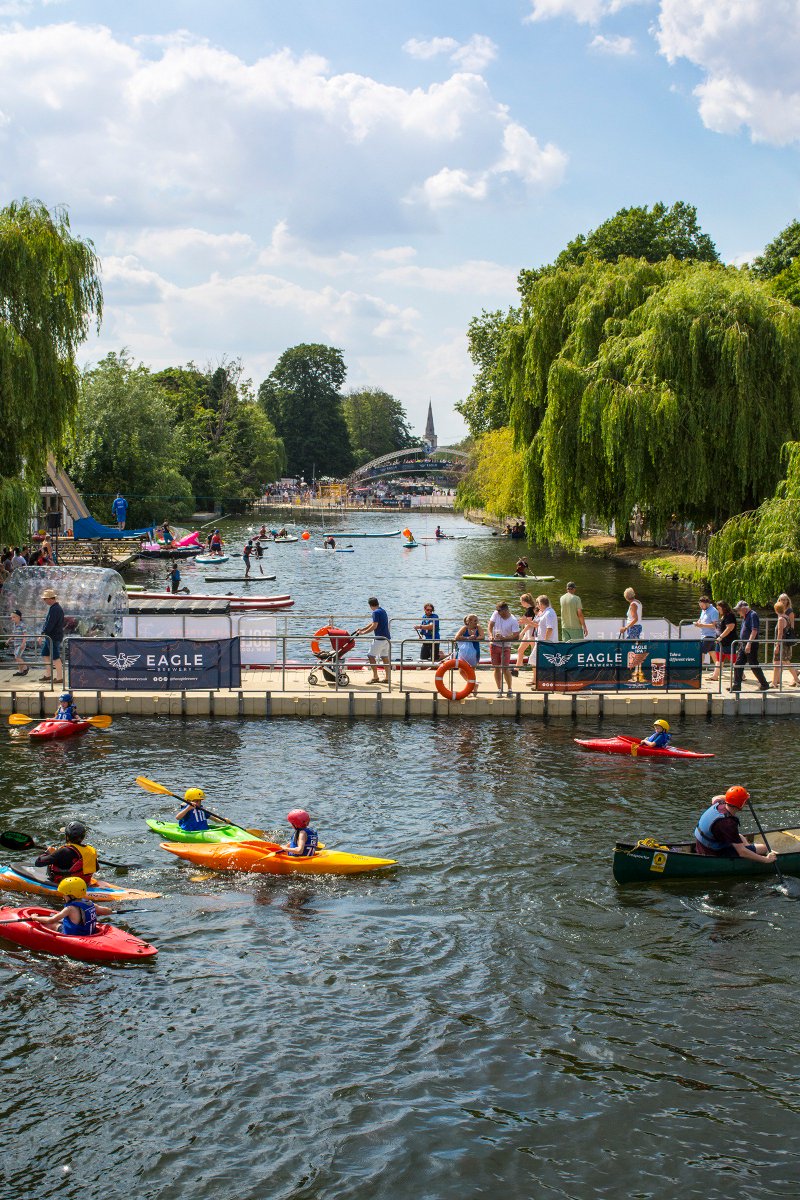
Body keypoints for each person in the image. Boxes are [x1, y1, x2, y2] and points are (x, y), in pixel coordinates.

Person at [694, 786, 777, 863]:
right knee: (763, 848)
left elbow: (715, 798)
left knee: (739, 836)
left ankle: (749, 848)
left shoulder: (719, 803)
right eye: (744, 802)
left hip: (701, 845)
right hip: (712, 852)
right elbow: (742, 853)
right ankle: (751, 852)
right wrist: (766, 860)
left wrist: (739, 797)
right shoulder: (727, 824)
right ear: (740, 804)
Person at [31, 876, 111, 936]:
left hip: (74, 936)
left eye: (64, 894)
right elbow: (105, 910)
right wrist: (110, 910)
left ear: (71, 895)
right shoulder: (90, 903)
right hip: (89, 933)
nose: (63, 896)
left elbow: (51, 920)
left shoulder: (69, 909)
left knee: (52, 925)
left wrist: (34, 918)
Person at [34, 821, 97, 885]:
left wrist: (48, 852)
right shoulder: (91, 850)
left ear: (67, 837)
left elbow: (38, 863)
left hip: (67, 884)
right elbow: (96, 868)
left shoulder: (63, 851)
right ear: (83, 837)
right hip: (84, 883)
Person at [730, 601, 769, 692]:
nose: (738, 612)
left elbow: (754, 630)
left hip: (750, 644)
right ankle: (736, 686)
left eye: (739, 610)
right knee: (738, 665)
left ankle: (764, 684)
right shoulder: (746, 616)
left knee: (753, 665)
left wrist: (749, 643)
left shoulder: (752, 615)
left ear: (744, 608)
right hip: (743, 644)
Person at [355, 597, 391, 685]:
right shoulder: (382, 610)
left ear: (370, 605)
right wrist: (363, 628)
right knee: (384, 657)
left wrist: (363, 633)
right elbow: (373, 623)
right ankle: (387, 678)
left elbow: (374, 625)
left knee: (370, 656)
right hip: (387, 638)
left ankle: (375, 677)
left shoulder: (375, 612)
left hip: (379, 639)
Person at [488, 600, 520, 697]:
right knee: (496, 668)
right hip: (494, 645)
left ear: (505, 610)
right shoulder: (496, 613)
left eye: (500, 612)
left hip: (506, 646)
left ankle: (509, 689)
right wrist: (490, 635)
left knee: (505, 668)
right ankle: (499, 689)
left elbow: (516, 636)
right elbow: (490, 625)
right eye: (497, 612)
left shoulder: (513, 620)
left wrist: (504, 638)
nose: (498, 614)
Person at [771, 599, 800, 688]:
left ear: (776, 610)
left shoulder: (780, 619)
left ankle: (775, 682)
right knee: (782, 662)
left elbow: (780, 633)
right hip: (785, 644)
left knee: (780, 662)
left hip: (781, 644)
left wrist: (777, 645)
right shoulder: (786, 617)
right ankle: (775, 682)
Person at [39, 587, 64, 683]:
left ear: (50, 599)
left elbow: (50, 624)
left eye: (45, 599)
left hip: (53, 636)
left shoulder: (55, 609)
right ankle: (48, 674)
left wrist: (43, 634)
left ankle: (59, 677)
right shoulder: (54, 608)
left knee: (55, 656)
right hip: (51, 636)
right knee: (45, 654)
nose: (44, 601)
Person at [708, 600, 737, 682]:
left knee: (733, 659)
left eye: (719, 608)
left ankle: (741, 675)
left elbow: (730, 628)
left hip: (728, 642)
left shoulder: (729, 616)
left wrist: (720, 637)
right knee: (719, 659)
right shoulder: (723, 616)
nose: (718, 610)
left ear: (724, 608)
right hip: (720, 642)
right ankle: (715, 676)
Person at [694, 595, 720, 659]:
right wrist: (698, 623)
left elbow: (714, 625)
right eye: (700, 606)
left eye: (702, 606)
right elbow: (700, 619)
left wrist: (702, 625)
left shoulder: (714, 611)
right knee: (712, 653)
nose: (701, 607)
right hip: (703, 635)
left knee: (701, 652)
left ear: (707, 603)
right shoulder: (704, 610)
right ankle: (719, 667)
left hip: (710, 636)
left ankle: (699, 668)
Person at [8, 608, 28, 675]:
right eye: (12, 617)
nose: (12, 619)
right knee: (17, 658)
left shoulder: (22, 625)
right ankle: (20, 671)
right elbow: (14, 634)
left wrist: (23, 643)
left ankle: (25, 667)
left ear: (19, 617)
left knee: (17, 657)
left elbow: (25, 635)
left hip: (21, 644)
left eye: (14, 617)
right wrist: (9, 639)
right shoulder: (15, 625)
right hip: (16, 644)